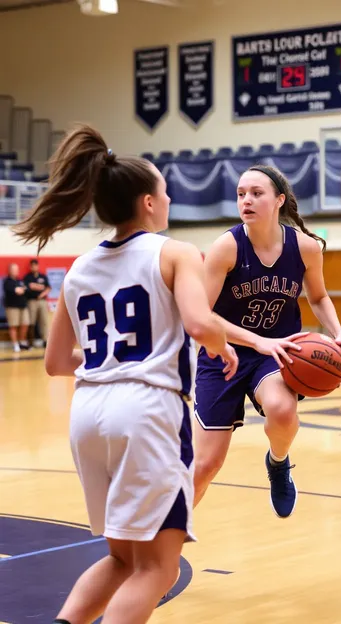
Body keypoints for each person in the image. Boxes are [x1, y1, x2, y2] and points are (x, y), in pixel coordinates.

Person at [13, 124, 238, 624]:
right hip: (147, 411)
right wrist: (223, 349)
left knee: (121, 558)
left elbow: (55, 363)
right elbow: (201, 323)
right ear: (149, 203)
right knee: (157, 568)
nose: (170, 195)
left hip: (89, 413)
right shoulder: (176, 252)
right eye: (164, 188)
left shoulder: (77, 267)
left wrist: (107, 365)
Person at [193, 164, 341, 517]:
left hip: (277, 353)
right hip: (223, 353)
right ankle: (165, 542)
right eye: (240, 194)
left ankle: (278, 463)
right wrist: (256, 341)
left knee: (282, 410)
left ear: (279, 200)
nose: (246, 200)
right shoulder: (225, 248)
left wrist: (339, 336)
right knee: (205, 466)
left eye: (256, 193)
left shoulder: (306, 248)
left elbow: (320, 297)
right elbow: (201, 314)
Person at [3, 262, 30, 352]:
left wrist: (22, 290)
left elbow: (25, 290)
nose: (16, 271)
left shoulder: (20, 281)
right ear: (10, 271)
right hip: (12, 307)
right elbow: (17, 291)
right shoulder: (7, 281)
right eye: (14, 269)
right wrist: (20, 290)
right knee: (13, 326)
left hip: (23, 306)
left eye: (17, 269)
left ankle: (21, 342)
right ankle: (15, 344)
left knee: (25, 324)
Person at [24, 258, 51, 347]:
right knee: (31, 322)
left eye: (36, 265)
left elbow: (48, 288)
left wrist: (41, 293)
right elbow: (29, 287)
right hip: (32, 301)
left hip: (42, 301)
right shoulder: (27, 277)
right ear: (30, 267)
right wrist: (40, 287)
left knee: (44, 321)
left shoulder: (43, 276)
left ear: (38, 266)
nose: (34, 267)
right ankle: (30, 342)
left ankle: (45, 340)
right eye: (32, 266)